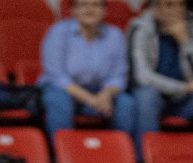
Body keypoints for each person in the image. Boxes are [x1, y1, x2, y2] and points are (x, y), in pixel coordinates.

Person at [127, 0, 193, 145]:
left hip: (186, 99)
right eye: (169, 4)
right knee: (146, 96)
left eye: (181, 5)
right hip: (156, 94)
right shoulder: (140, 28)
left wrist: (185, 41)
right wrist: (183, 88)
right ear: (155, 9)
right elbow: (141, 76)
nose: (177, 10)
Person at [38, 0, 136, 136]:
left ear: (105, 10)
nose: (90, 10)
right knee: (59, 100)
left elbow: (119, 76)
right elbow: (57, 77)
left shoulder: (115, 35)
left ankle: (120, 153)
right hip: (63, 91)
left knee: (126, 103)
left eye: (96, 5)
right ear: (73, 10)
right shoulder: (58, 32)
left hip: (99, 92)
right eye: (83, 5)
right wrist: (91, 100)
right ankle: (62, 153)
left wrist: (105, 95)